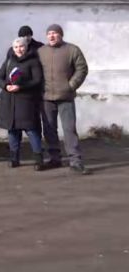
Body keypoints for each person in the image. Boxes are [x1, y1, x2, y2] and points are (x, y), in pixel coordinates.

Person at [37, 24, 90, 174]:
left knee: (69, 129)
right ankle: (55, 158)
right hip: (46, 97)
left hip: (65, 96)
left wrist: (71, 85)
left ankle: (75, 161)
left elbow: (82, 68)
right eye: (49, 33)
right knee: (49, 129)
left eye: (55, 33)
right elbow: (34, 70)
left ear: (61, 35)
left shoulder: (72, 50)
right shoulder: (41, 52)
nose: (52, 36)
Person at [0, 37, 45, 169]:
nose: (19, 49)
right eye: (16, 47)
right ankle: (14, 158)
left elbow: (37, 80)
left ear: (26, 47)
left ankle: (38, 159)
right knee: (12, 131)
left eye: (21, 46)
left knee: (31, 130)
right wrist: (5, 86)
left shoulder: (33, 61)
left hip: (26, 101)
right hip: (9, 101)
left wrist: (21, 87)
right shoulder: (9, 61)